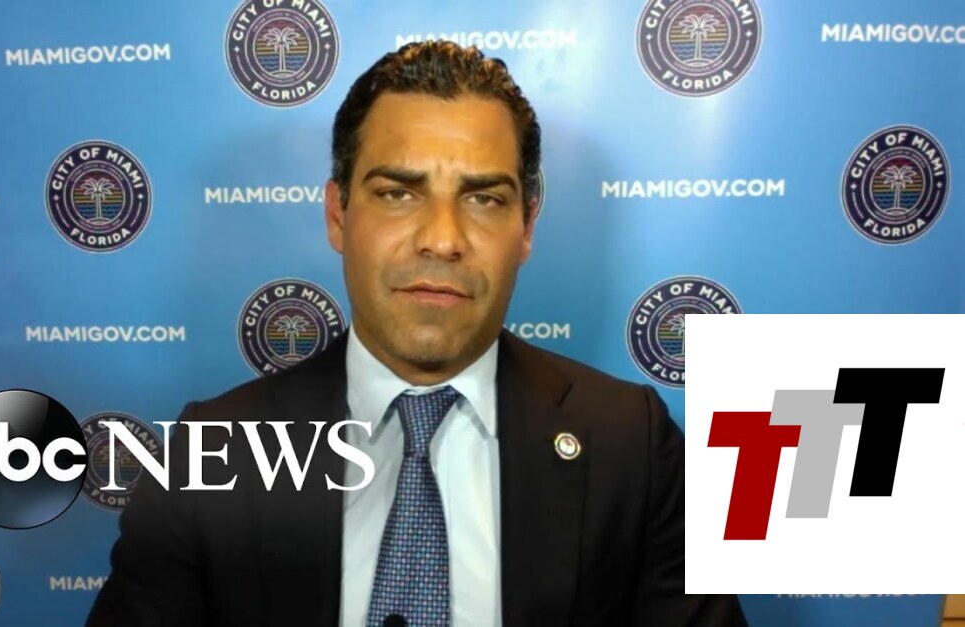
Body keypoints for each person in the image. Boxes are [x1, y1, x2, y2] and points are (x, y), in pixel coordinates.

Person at [87, 41, 746, 626]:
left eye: (483, 198)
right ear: (338, 214)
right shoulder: (212, 452)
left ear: (526, 226)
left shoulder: (631, 446)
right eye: (398, 193)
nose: (442, 238)